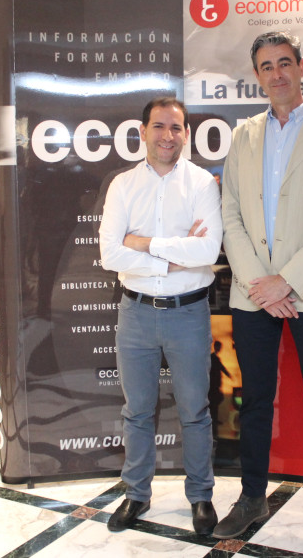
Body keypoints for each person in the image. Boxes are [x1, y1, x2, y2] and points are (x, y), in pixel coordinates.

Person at [213, 32, 303, 558]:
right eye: (265, 66)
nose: (275, 74)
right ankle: (252, 498)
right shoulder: (243, 135)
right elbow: (230, 213)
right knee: (254, 401)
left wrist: (288, 281)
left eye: (283, 63)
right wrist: (262, 283)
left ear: (300, 66)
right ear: (257, 75)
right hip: (254, 293)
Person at [99, 97, 222, 535]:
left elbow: (207, 251)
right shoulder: (123, 185)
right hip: (135, 315)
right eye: (158, 126)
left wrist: (143, 243)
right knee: (136, 412)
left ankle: (201, 496)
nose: (167, 136)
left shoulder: (202, 183)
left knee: (195, 411)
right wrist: (172, 257)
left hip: (188, 314)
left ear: (186, 134)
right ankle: (136, 494)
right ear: (143, 132)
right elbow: (109, 254)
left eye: (176, 127)